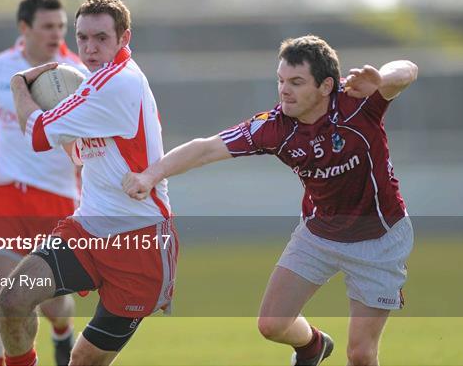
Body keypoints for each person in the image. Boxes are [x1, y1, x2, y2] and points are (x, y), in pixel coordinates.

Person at [122, 35, 418, 366]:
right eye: (280, 81)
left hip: (379, 239)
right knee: (272, 325)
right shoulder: (276, 127)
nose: (284, 90)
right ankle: (313, 346)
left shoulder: (357, 102)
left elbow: (408, 69)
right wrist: (151, 175)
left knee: (361, 355)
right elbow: (205, 148)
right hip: (318, 235)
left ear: (325, 86)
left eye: (296, 82)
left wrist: (381, 79)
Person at [0, 0, 178, 366]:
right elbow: (80, 153)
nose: (90, 48)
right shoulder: (96, 84)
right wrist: (57, 115)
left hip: (138, 243)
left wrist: (19, 85)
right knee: (13, 299)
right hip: (87, 231)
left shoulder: (115, 83)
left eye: (101, 38)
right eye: (82, 38)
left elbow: (36, 135)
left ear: (124, 38)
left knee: (83, 362)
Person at [0, 0, 87, 366]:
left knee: (53, 305)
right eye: (47, 26)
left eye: (62, 26)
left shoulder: (77, 76)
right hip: (5, 195)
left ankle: (62, 332)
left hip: (60, 201)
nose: (56, 33)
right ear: (24, 27)